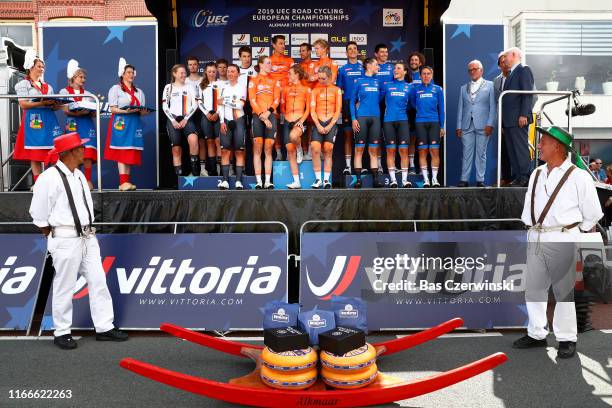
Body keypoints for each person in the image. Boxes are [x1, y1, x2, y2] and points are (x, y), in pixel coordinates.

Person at [29, 132, 128, 350]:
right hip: (65, 237)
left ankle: (104, 327)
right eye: (80, 147)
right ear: (70, 152)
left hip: (87, 237)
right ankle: (62, 331)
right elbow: (37, 214)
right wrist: (54, 235)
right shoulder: (48, 178)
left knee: (98, 280)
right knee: (65, 285)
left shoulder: (79, 175)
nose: (85, 150)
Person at [516, 126, 603, 359]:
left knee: (563, 292)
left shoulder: (579, 176)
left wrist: (572, 233)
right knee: (534, 289)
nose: (540, 145)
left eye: (543, 141)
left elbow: (593, 214)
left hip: (562, 238)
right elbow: (528, 207)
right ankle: (536, 333)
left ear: (558, 146)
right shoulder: (536, 173)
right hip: (535, 236)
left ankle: (566, 338)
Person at [14, 49, 63, 185]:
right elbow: (23, 104)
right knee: (35, 153)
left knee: (53, 152)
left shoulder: (48, 86)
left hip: (49, 120)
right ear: (31, 67)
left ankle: (52, 183)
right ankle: (38, 184)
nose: (42, 69)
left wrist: (56, 105)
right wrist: (42, 102)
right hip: (34, 121)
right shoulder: (23, 84)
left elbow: (51, 104)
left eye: (43, 67)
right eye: (39, 66)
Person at [104, 58, 151, 191]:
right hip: (121, 124)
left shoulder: (139, 92)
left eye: (132, 72)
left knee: (130, 152)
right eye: (128, 72)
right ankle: (123, 182)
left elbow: (140, 110)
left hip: (135, 124)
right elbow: (112, 108)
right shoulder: (116, 89)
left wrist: (144, 112)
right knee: (122, 151)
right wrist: (127, 111)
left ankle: (126, 182)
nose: (131, 75)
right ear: (122, 74)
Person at [456, 60, 496, 187]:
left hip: (484, 125)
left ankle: (480, 180)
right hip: (466, 125)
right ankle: (464, 179)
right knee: (466, 153)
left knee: (481, 153)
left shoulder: (490, 85)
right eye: (470, 70)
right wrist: (458, 126)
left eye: (475, 69)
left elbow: (493, 107)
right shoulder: (463, 88)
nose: (472, 72)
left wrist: (490, 124)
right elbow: (460, 108)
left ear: (481, 70)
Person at [60, 59, 98, 190]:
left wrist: (92, 111)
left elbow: (94, 114)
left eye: (84, 77)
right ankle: (74, 182)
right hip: (73, 126)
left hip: (87, 126)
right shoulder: (64, 92)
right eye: (81, 77)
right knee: (74, 154)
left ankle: (87, 181)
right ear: (73, 77)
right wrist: (79, 113)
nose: (83, 79)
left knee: (87, 153)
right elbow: (65, 110)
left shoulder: (89, 95)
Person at [501, 47, 535, 187]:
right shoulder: (511, 73)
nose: (504, 60)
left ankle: (525, 176)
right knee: (512, 149)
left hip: (518, 118)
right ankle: (518, 176)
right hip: (509, 120)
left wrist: (524, 114)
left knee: (520, 148)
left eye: (506, 56)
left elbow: (527, 93)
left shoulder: (523, 69)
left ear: (514, 55)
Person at [409, 66, 445, 187]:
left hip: (434, 122)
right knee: (423, 151)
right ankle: (426, 179)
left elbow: (442, 109)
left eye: (428, 73)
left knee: (434, 151)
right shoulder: (415, 90)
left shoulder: (438, 89)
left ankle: (434, 179)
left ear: (432, 75)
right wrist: (421, 110)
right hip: (420, 122)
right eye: (424, 74)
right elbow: (413, 103)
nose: (426, 76)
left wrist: (442, 126)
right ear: (420, 76)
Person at [249, 55, 281, 189]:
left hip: (271, 115)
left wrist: (268, 113)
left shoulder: (275, 81)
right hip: (257, 116)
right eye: (268, 63)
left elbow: (277, 99)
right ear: (260, 65)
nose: (270, 65)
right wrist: (262, 115)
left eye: (271, 63)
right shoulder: (253, 80)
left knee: (268, 149)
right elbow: (252, 100)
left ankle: (267, 181)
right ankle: (258, 181)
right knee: (257, 148)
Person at [162, 64, 199, 177]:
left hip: (187, 118)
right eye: (181, 73)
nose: (184, 75)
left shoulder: (190, 86)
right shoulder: (168, 87)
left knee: (194, 140)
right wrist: (173, 120)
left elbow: (195, 104)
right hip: (173, 119)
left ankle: (195, 173)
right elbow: (164, 105)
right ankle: (179, 178)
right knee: (176, 149)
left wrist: (186, 118)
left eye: (184, 73)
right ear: (174, 74)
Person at [350, 57, 383, 188]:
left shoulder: (378, 82)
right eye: (376, 64)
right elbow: (351, 101)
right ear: (368, 65)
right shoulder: (358, 81)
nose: (378, 67)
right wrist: (353, 118)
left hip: (375, 118)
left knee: (374, 150)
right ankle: (358, 180)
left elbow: (380, 98)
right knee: (359, 149)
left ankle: (376, 180)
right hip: (361, 118)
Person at [310, 66, 342, 189]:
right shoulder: (315, 90)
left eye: (323, 78)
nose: (320, 80)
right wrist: (318, 124)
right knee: (315, 149)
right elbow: (312, 110)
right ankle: (318, 179)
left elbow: (338, 109)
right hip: (318, 121)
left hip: (331, 122)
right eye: (319, 78)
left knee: (328, 149)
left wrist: (329, 125)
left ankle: (326, 180)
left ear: (329, 77)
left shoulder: (336, 90)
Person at [280, 65, 311, 189]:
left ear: (297, 74)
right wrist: (285, 116)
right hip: (287, 120)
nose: (288, 75)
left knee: (294, 136)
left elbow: (308, 108)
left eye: (290, 73)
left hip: (300, 120)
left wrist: (301, 120)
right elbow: (282, 106)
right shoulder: (286, 89)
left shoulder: (306, 89)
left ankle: (300, 149)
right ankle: (296, 182)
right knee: (290, 152)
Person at [382, 62, 412, 188]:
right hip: (388, 121)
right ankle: (393, 180)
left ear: (405, 72)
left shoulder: (409, 87)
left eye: (398, 68)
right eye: (394, 68)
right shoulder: (387, 85)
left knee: (404, 150)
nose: (395, 70)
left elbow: (414, 105)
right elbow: (375, 99)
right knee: (391, 150)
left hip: (403, 121)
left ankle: (405, 181)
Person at [217, 64, 247, 190]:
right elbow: (220, 106)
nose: (229, 73)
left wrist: (225, 101)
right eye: (228, 71)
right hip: (226, 122)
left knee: (239, 151)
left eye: (232, 71)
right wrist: (222, 121)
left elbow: (240, 105)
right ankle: (225, 181)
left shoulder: (242, 87)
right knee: (225, 151)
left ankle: (238, 181)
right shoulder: (223, 88)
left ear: (238, 74)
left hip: (239, 120)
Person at [337, 41, 364, 176]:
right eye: (350, 49)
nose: (352, 51)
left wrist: (361, 101)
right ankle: (348, 166)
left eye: (354, 48)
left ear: (358, 52)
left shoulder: (363, 68)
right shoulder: (342, 70)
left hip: (362, 104)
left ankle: (361, 165)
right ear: (346, 53)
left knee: (361, 136)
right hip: (348, 104)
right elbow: (339, 90)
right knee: (348, 135)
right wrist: (342, 105)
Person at [269, 35, 294, 161]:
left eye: (284, 43)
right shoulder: (268, 60)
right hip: (273, 98)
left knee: (291, 123)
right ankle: (278, 152)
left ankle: (292, 152)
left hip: (288, 97)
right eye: (280, 43)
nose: (283, 46)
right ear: (273, 45)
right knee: (275, 126)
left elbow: (294, 78)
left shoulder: (290, 61)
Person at [196, 62, 221, 176]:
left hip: (218, 115)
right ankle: (212, 169)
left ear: (217, 72)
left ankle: (220, 168)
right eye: (209, 71)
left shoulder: (221, 84)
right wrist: (206, 113)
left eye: (213, 71)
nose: (211, 73)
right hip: (206, 116)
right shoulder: (201, 84)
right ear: (205, 72)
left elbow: (223, 101)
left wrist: (217, 112)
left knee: (218, 141)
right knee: (209, 142)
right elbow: (199, 101)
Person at [373, 44, 393, 175]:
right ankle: (379, 165)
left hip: (390, 104)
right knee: (377, 135)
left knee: (390, 135)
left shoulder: (392, 68)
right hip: (375, 103)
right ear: (376, 54)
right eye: (382, 52)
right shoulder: (372, 67)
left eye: (386, 52)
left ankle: (392, 166)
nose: (385, 54)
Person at [185, 56, 206, 175]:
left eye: (194, 64)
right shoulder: (185, 80)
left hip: (201, 113)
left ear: (198, 66)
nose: (192, 66)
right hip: (189, 115)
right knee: (192, 142)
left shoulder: (203, 80)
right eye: (190, 64)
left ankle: (203, 169)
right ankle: (194, 170)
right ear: (188, 66)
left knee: (202, 141)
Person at [494, 52, 512, 186]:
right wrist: (499, 122)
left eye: (507, 60)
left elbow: (532, 97)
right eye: (502, 61)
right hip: (503, 121)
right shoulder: (496, 81)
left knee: (517, 150)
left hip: (518, 121)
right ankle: (506, 178)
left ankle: (520, 178)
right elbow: (496, 102)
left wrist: (523, 114)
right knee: (504, 150)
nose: (505, 63)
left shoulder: (518, 76)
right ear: (499, 65)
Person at [407, 51, 426, 173]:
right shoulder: (405, 76)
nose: (414, 62)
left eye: (416, 60)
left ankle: (422, 166)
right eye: (412, 60)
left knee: (422, 139)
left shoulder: (425, 75)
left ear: (420, 63)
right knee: (411, 139)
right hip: (409, 111)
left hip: (422, 112)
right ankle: (412, 166)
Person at [298, 42, 315, 159]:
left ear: (309, 51)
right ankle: (303, 151)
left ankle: (310, 151)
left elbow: (318, 80)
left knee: (311, 126)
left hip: (313, 99)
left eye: (304, 50)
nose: (301, 53)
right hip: (301, 100)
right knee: (301, 127)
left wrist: (309, 76)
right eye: (300, 51)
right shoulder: (298, 66)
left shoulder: (316, 64)